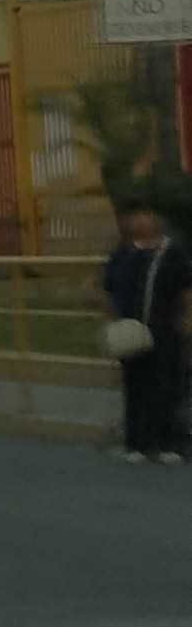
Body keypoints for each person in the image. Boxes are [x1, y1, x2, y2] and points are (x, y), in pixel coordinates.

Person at [96, 191, 192, 465]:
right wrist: (112, 321)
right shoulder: (122, 253)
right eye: (134, 216)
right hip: (130, 330)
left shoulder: (173, 252)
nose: (139, 221)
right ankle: (137, 442)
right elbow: (108, 289)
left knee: (168, 385)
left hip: (166, 329)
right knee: (135, 386)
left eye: (146, 215)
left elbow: (186, 288)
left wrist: (187, 319)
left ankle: (170, 442)